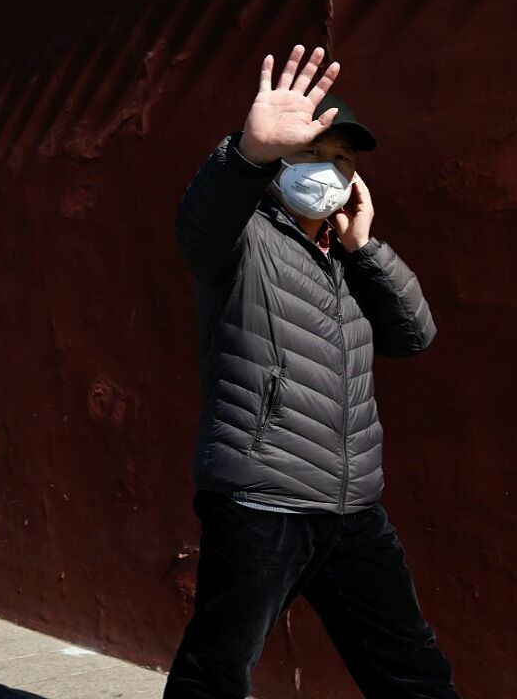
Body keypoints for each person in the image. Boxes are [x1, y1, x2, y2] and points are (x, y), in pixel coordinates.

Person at [163, 45, 460, 699]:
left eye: (342, 159)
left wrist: (365, 247)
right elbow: (200, 222)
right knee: (215, 674)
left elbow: (415, 335)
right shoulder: (243, 241)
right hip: (263, 504)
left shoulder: (348, 260)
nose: (328, 170)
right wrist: (248, 153)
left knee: (414, 674)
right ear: (279, 164)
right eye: (311, 153)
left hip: (353, 509)